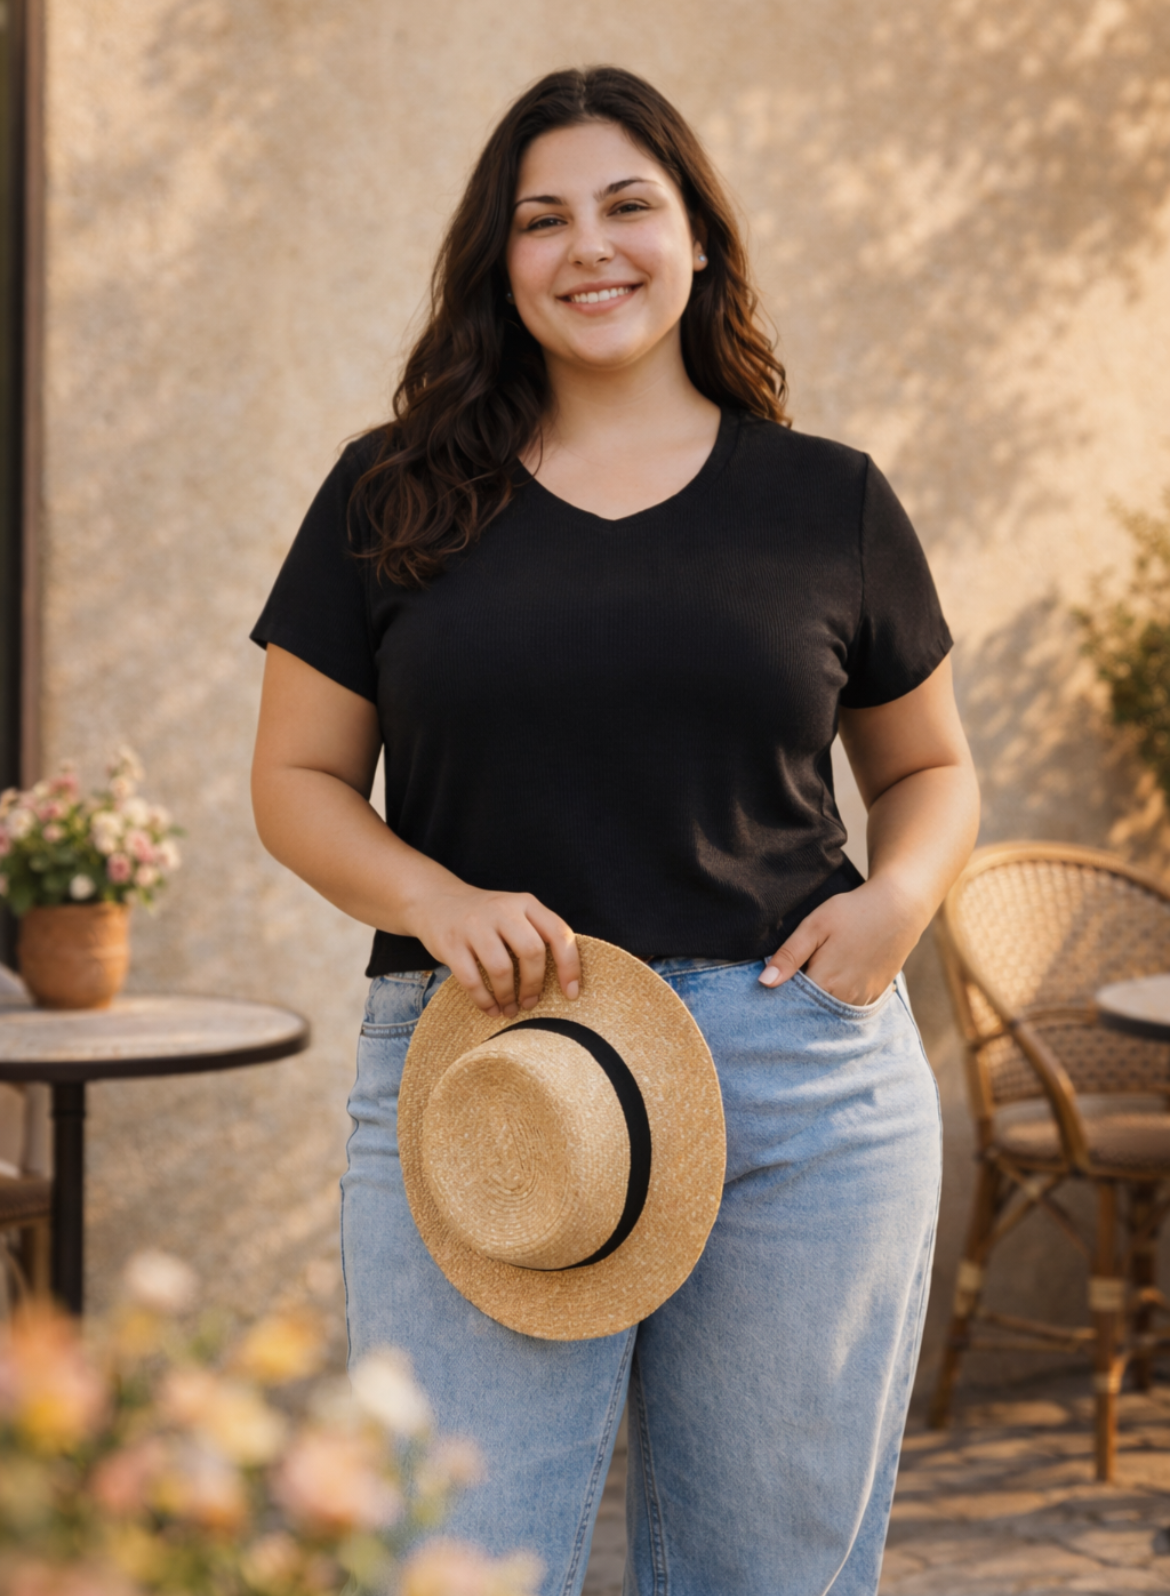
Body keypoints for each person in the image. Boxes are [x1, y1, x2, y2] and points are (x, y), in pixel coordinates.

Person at [251, 65, 979, 1596]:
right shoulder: (388, 495)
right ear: (498, 264)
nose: (591, 247)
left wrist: (895, 904)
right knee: (457, 1560)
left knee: (763, 1578)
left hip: (796, 1082)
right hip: (488, 1069)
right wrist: (436, 898)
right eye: (543, 219)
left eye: (628, 205)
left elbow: (928, 772)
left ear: (697, 237)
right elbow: (298, 783)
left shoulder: (825, 502)